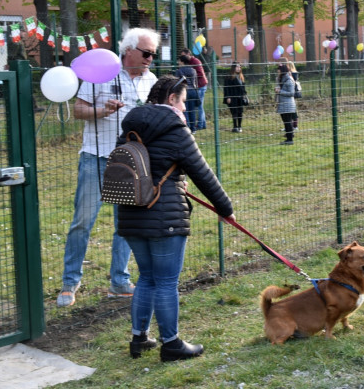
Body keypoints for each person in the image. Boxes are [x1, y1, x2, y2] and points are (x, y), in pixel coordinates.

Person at [117, 75, 234, 362]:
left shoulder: (130, 127)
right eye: (182, 101)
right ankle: (171, 344)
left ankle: (139, 338)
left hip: (130, 213)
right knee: (167, 281)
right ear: (171, 99)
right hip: (164, 215)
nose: (184, 107)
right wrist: (225, 208)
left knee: (146, 277)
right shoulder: (175, 128)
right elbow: (202, 173)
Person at [57, 27, 160, 307]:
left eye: (153, 53)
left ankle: (119, 281)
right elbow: (78, 110)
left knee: (124, 224)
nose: (151, 58)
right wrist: (104, 111)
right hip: (96, 157)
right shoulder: (102, 73)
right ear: (128, 51)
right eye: (146, 52)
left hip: (129, 162)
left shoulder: (151, 80)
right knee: (82, 222)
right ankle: (70, 282)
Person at [6, 28, 45, 112]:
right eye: (23, 31)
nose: (25, 33)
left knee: (24, 87)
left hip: (21, 66)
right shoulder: (16, 42)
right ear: (18, 31)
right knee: (24, 87)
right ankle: (31, 107)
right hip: (19, 67)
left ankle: (32, 106)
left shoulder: (19, 41)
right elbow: (12, 56)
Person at [180, 47, 209, 131]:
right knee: (199, 106)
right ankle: (202, 124)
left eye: (183, 55)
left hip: (200, 86)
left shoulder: (195, 61)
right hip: (196, 86)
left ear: (188, 54)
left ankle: (200, 125)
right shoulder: (190, 62)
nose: (182, 57)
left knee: (199, 106)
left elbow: (200, 74)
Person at [174, 55, 199, 132]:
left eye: (179, 61)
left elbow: (177, 82)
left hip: (184, 91)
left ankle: (187, 128)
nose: (178, 62)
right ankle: (193, 128)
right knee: (192, 110)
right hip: (193, 91)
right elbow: (195, 82)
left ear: (182, 61)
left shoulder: (179, 71)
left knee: (185, 110)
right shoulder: (193, 70)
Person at [275, 64, 297, 145]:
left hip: (288, 104)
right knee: (286, 121)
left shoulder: (289, 80)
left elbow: (291, 93)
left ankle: (290, 139)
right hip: (283, 104)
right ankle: (289, 136)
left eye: (279, 69)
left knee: (287, 122)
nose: (278, 71)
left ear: (283, 70)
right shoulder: (282, 79)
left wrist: (280, 91)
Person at [223, 61, 247, 133]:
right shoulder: (229, 77)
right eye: (237, 67)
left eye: (239, 67)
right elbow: (226, 88)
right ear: (233, 68)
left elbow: (243, 88)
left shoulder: (241, 77)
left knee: (240, 112)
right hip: (232, 97)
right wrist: (228, 97)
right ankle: (235, 126)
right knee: (234, 112)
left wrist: (245, 95)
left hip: (240, 97)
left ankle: (239, 126)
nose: (238, 68)